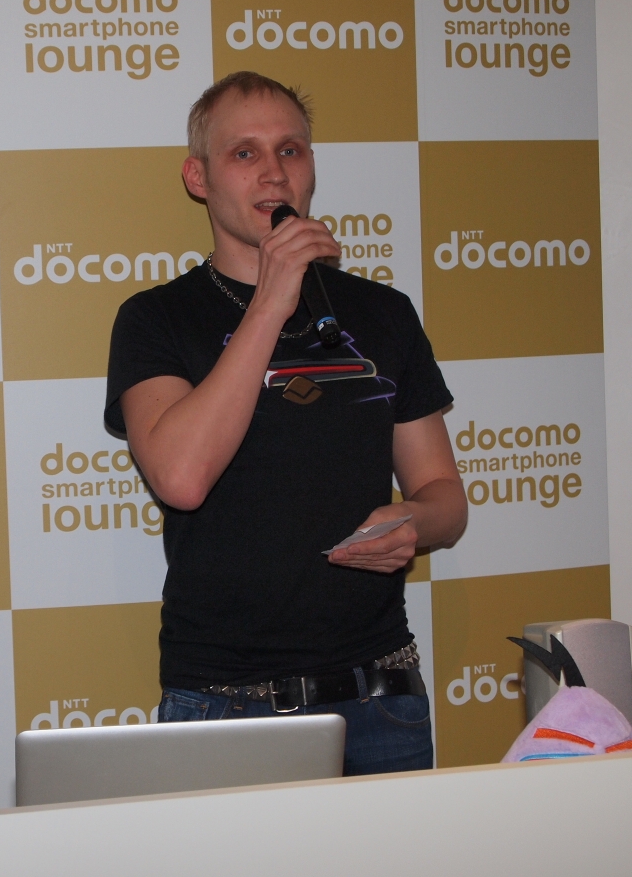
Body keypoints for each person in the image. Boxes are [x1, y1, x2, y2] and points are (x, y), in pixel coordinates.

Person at [104, 72, 467, 776]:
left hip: (382, 699)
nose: (273, 172)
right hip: (224, 706)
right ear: (198, 177)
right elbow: (181, 477)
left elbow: (445, 496)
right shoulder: (155, 319)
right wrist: (271, 300)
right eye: (244, 153)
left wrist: (414, 524)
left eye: (291, 150)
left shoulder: (385, 313)